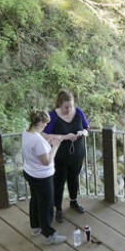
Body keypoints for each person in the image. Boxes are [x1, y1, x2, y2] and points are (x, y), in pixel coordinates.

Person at [43, 89, 90, 223]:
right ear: (59, 104)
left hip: (77, 154)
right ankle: (58, 208)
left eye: (71, 106)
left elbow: (87, 127)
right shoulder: (52, 116)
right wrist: (64, 137)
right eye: (66, 107)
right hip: (59, 157)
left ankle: (73, 201)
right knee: (58, 182)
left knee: (74, 178)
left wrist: (83, 133)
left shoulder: (78, 112)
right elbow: (44, 135)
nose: (69, 109)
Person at [22, 110, 67, 244]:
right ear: (39, 122)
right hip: (41, 177)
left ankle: (35, 227)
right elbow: (46, 161)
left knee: (35, 199)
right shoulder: (37, 140)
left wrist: (48, 138)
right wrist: (56, 146)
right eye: (45, 124)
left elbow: (38, 140)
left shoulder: (26, 131)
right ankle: (49, 234)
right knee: (46, 205)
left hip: (30, 172)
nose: (46, 126)